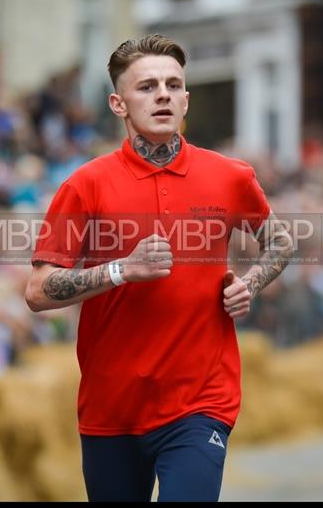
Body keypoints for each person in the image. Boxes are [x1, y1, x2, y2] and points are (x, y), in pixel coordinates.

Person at [25, 34, 294, 501]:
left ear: (186, 98)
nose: (163, 94)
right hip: (112, 409)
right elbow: (38, 291)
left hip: (201, 403)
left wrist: (250, 283)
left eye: (173, 85)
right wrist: (120, 270)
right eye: (147, 86)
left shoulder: (230, 177)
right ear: (118, 103)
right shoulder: (85, 185)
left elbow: (280, 242)